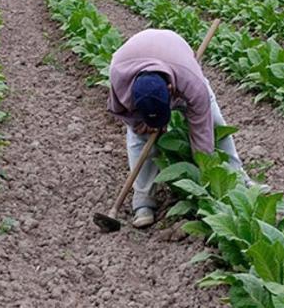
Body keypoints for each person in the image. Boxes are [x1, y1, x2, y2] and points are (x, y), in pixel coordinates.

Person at [108, 29, 261, 228]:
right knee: (139, 138)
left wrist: (206, 174)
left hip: (176, 58)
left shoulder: (190, 81)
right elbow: (119, 111)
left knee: (215, 123)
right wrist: (140, 124)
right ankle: (143, 200)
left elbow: (201, 131)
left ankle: (238, 178)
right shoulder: (118, 77)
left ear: (172, 91)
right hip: (135, 60)